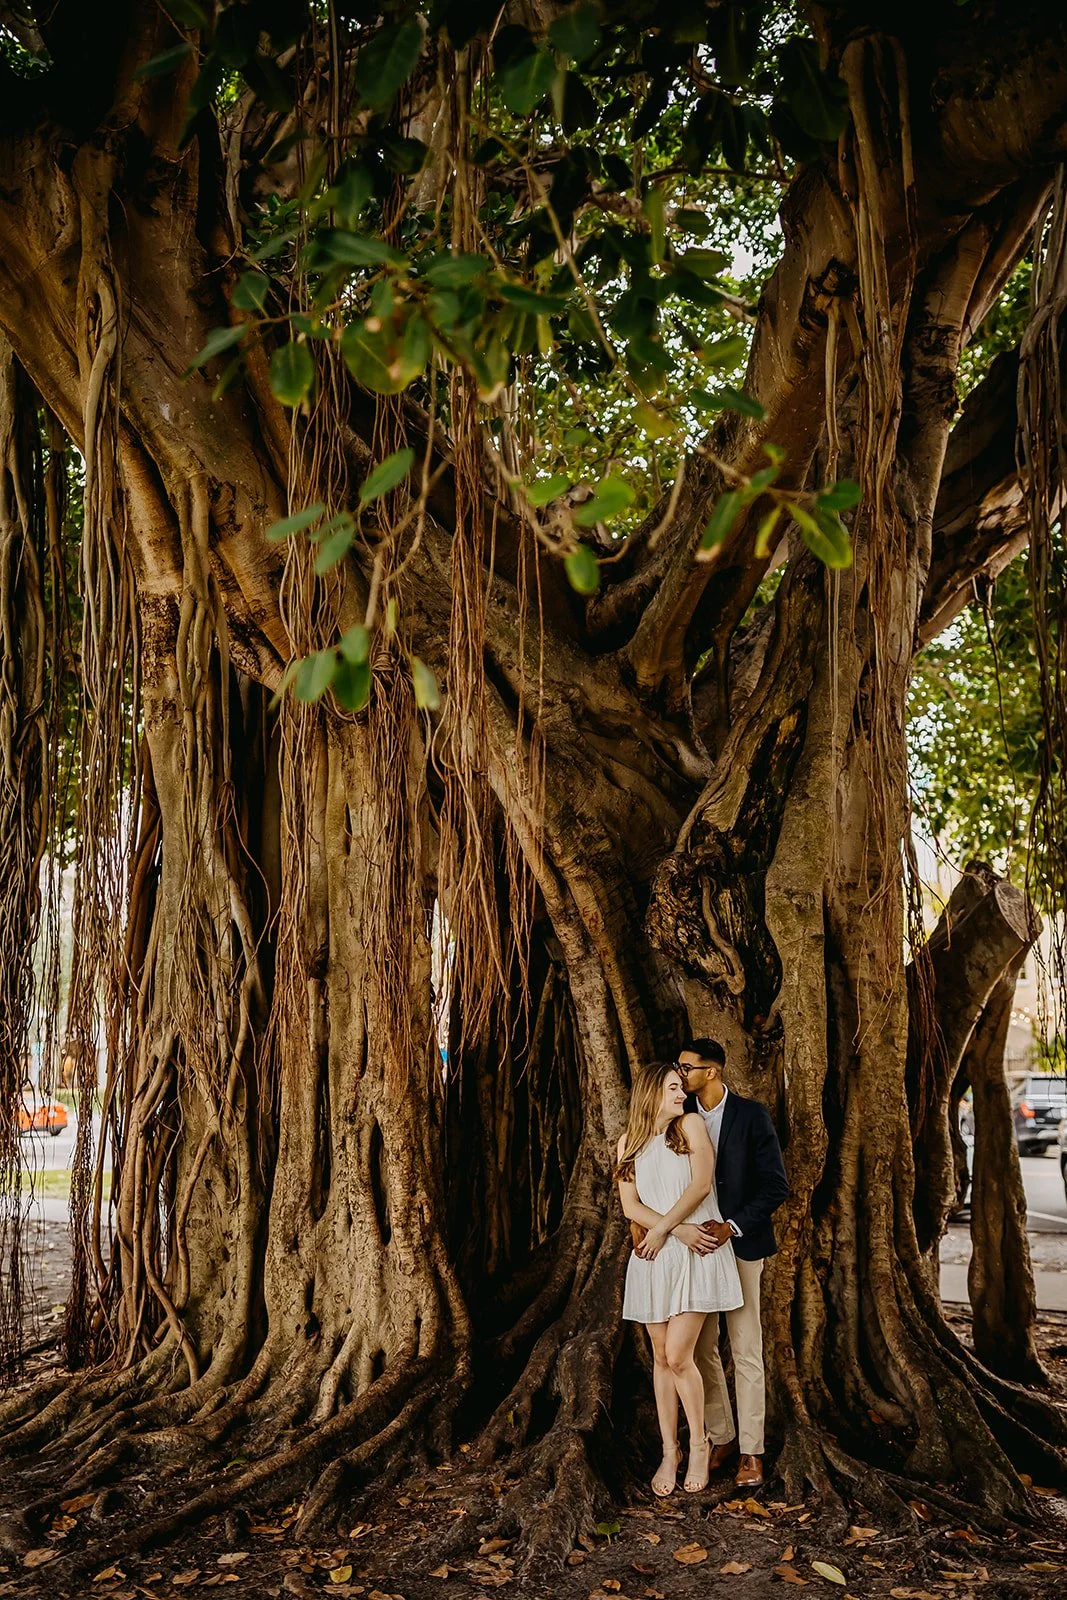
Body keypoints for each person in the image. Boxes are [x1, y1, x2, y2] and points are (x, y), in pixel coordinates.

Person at [616, 1062, 743, 1498]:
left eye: (681, 1087)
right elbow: (630, 1206)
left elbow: (702, 1186)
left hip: (696, 1253)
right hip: (658, 1256)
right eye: (673, 1087)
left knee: (678, 1354)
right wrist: (669, 1231)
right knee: (660, 1357)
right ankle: (669, 1451)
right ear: (651, 1093)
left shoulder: (689, 1126)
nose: (682, 1095)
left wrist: (675, 1228)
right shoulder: (628, 1143)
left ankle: (700, 1444)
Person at [678, 1037, 789, 1490]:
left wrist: (733, 1225)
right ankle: (721, 1436)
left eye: (687, 1067)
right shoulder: (679, 1120)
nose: (680, 1074)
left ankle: (752, 1452)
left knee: (745, 1349)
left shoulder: (751, 1116)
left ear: (712, 1072)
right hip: (696, 1247)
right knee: (701, 1349)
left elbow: (775, 1186)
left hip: (741, 1245)